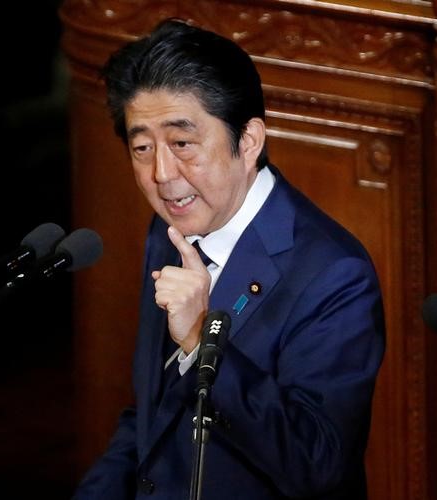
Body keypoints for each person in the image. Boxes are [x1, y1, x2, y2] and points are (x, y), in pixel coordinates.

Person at [72, 18, 385, 500]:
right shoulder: (169, 232)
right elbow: (152, 415)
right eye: (141, 148)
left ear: (249, 140)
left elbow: (316, 463)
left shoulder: (335, 274)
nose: (161, 173)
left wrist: (202, 342)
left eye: (182, 144)